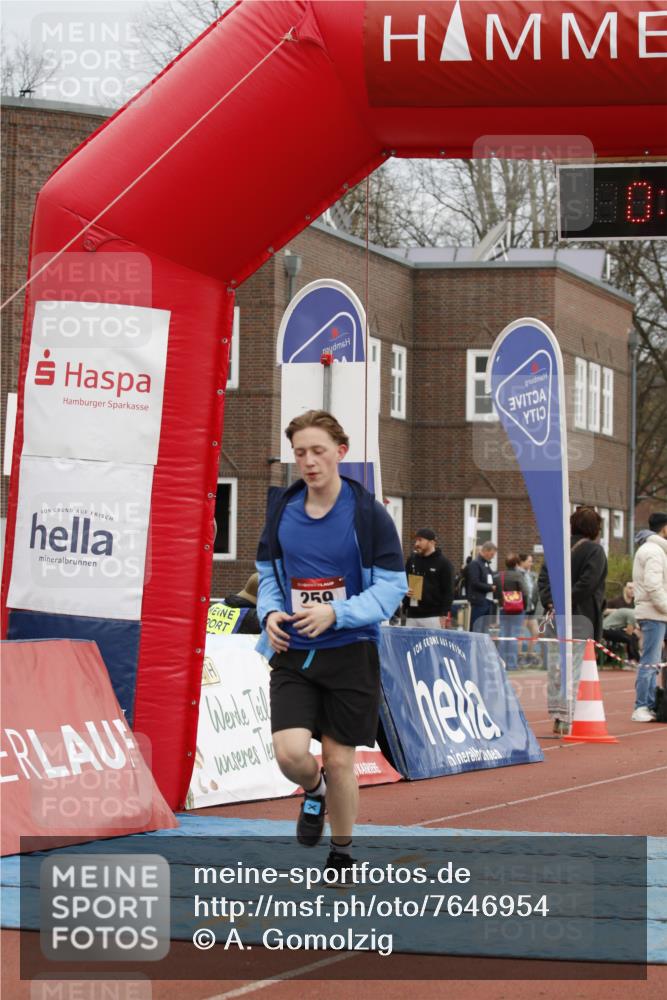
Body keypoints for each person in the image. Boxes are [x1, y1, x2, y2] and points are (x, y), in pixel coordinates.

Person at [255, 410, 406, 878]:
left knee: (341, 761)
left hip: (350, 650)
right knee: (290, 754)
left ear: (341, 453)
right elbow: (267, 577)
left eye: (318, 451)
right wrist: (270, 612)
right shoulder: (282, 510)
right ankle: (313, 791)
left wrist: (337, 612)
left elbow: (392, 587)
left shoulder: (368, 514)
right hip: (294, 649)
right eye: (300, 453)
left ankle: (340, 852)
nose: (309, 461)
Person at [538, 507, 608, 736]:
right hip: (581, 617)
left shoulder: (558, 548)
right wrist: (566, 602)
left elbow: (543, 578)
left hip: (555, 617)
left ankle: (557, 713)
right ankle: (566, 717)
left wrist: (552, 602)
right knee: (573, 667)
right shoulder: (595, 551)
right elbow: (588, 583)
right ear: (595, 528)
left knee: (556, 668)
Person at [631, 511, 667, 722]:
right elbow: (653, 585)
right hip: (655, 613)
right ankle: (642, 706)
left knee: (656, 662)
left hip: (659, 612)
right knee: (650, 661)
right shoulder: (653, 551)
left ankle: (653, 704)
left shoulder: (659, 550)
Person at [403, 528, 454, 628]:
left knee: (432, 643)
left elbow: (449, 591)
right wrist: (404, 591)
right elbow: (403, 581)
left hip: (433, 616)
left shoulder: (444, 563)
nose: (416, 543)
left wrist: (444, 614)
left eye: (420, 540)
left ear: (431, 542)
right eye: (416, 540)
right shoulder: (412, 560)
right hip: (412, 614)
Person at [494, 553, 530, 670]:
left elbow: (497, 593)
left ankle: (501, 663)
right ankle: (512, 664)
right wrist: (524, 606)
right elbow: (525, 592)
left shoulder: (500, 576)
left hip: (504, 608)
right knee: (514, 636)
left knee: (504, 635)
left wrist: (502, 602)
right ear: (516, 564)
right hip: (517, 610)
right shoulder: (518, 576)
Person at [467, 542, 497, 632]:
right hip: (479, 602)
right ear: (486, 551)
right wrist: (490, 588)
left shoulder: (486, 564)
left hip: (488, 602)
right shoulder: (475, 564)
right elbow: (474, 582)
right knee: (476, 628)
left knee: (485, 630)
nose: (493, 556)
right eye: (492, 554)